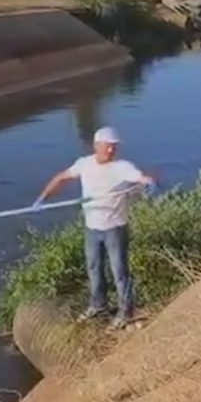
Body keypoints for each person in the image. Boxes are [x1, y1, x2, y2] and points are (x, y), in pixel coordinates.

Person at [34, 126, 156, 330]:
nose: (111, 150)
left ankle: (126, 312)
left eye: (114, 147)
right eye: (108, 146)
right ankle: (98, 306)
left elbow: (142, 178)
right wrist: (43, 198)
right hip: (92, 228)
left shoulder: (122, 167)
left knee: (119, 270)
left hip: (114, 228)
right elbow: (61, 178)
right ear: (97, 145)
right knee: (94, 268)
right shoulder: (84, 164)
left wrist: (150, 183)